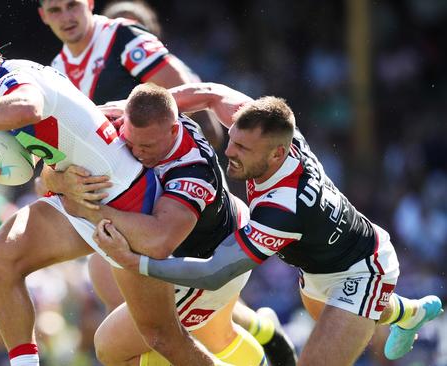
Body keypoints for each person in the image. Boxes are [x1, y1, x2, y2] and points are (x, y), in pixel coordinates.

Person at [0, 21, 226, 366]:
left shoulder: (14, 81)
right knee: (0, 260)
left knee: (161, 339)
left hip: (128, 202)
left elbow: (28, 109)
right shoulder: (1, 88)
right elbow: (34, 168)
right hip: (80, 199)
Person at [93, 82, 445, 365]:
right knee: (363, 310)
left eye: (243, 149)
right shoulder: (268, 130)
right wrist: (137, 109)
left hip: (361, 269)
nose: (229, 153)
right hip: (319, 269)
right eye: (232, 141)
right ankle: (410, 313)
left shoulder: (281, 211)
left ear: (277, 154)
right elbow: (210, 94)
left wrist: (136, 263)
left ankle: (400, 309)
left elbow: (214, 272)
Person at [44, 83, 269, 365]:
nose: (137, 152)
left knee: (112, 347)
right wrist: (60, 181)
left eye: (147, 146)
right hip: (223, 233)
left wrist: (89, 209)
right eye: (131, 142)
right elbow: (46, 171)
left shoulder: (192, 170)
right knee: (214, 335)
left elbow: (159, 240)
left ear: (174, 130)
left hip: (211, 263)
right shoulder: (117, 119)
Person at [37, 0, 224, 148]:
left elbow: (196, 111)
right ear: (43, 16)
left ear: (90, 3)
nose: (66, 17)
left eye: (73, 4)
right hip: (113, 185)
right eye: (55, 10)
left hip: (161, 176)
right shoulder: (56, 70)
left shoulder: (121, 36)